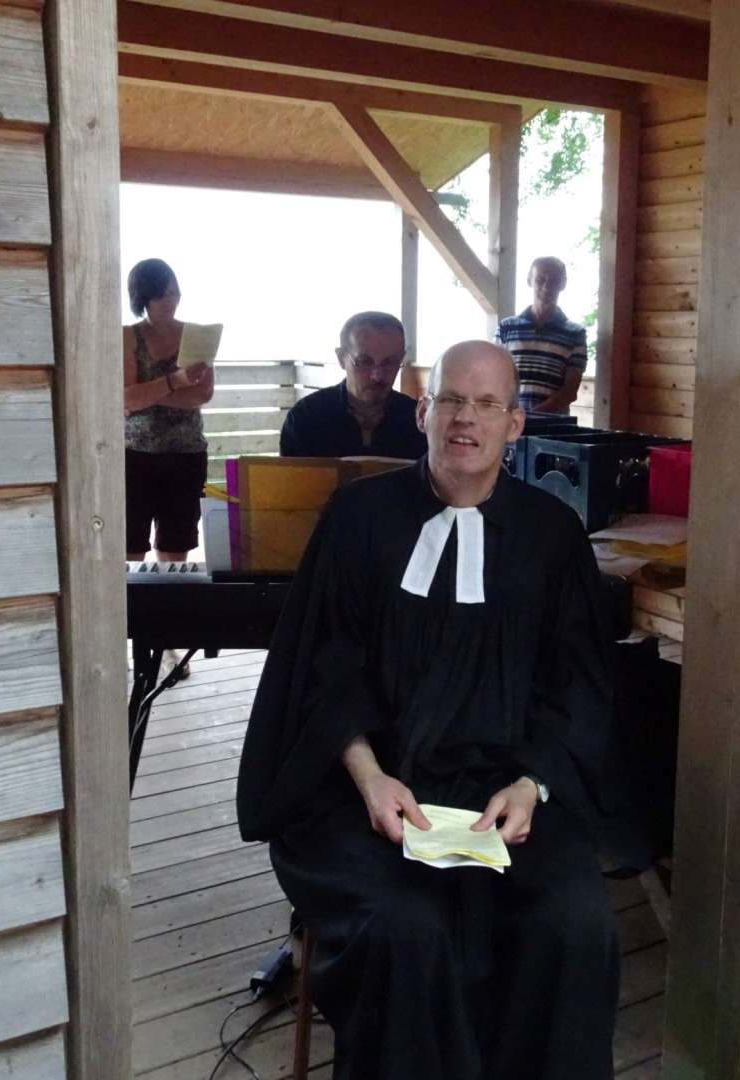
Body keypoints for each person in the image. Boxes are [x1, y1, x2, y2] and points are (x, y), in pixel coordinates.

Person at [239, 340, 645, 1080]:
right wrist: (368, 777)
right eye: (452, 400)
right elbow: (320, 672)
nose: (467, 418)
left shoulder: (552, 536)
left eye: (487, 403)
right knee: (405, 930)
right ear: (422, 412)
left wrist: (531, 785)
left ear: (515, 425)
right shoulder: (359, 519)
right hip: (364, 795)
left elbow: (578, 686)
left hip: (507, 794)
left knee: (574, 924)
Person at [122, 258, 213, 563]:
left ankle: (167, 610)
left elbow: (202, 394)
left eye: (173, 292)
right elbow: (126, 399)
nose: (169, 300)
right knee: (128, 548)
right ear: (141, 297)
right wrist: (177, 381)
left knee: (176, 549)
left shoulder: (197, 334)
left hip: (186, 456)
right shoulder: (127, 336)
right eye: (160, 293)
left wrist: (149, 392)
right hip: (134, 457)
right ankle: (132, 611)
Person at [278, 311, 427, 459]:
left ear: (401, 358)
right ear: (341, 358)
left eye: (389, 362)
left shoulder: (419, 421)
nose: (377, 375)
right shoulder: (306, 417)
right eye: (364, 362)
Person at [495, 256, 588, 415]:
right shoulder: (506, 328)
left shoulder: (575, 334)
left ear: (563, 284)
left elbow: (570, 391)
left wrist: (532, 417)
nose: (546, 286)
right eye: (540, 279)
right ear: (529, 280)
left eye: (554, 281)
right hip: (509, 423)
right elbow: (495, 378)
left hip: (552, 429)